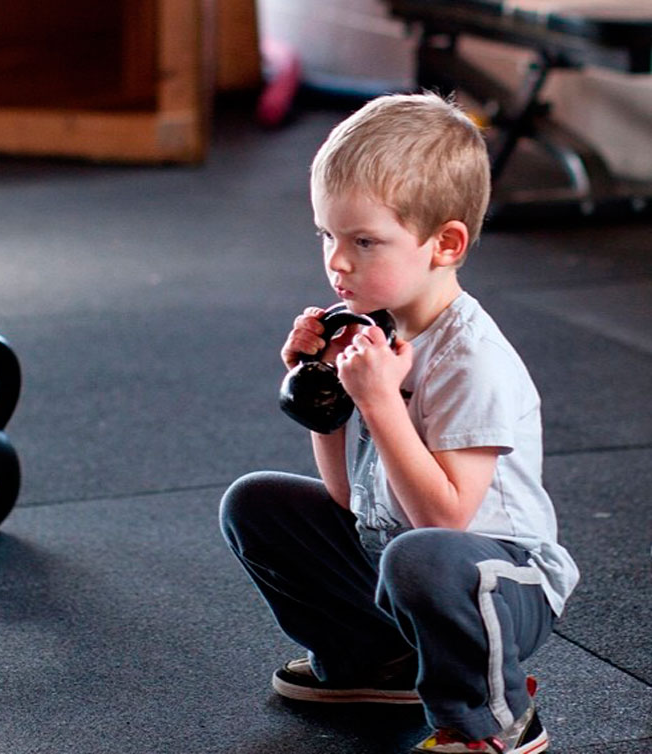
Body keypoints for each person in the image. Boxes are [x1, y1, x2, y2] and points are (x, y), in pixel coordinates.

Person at [219, 92, 578, 754]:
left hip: (499, 582)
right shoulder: (377, 333)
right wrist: (322, 395)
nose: (338, 262)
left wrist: (381, 404)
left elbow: (443, 521)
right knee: (253, 504)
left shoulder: (472, 360)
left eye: (365, 242)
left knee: (420, 555)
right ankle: (374, 661)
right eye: (328, 236)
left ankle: (494, 719)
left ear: (445, 243)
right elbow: (349, 503)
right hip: (400, 555)